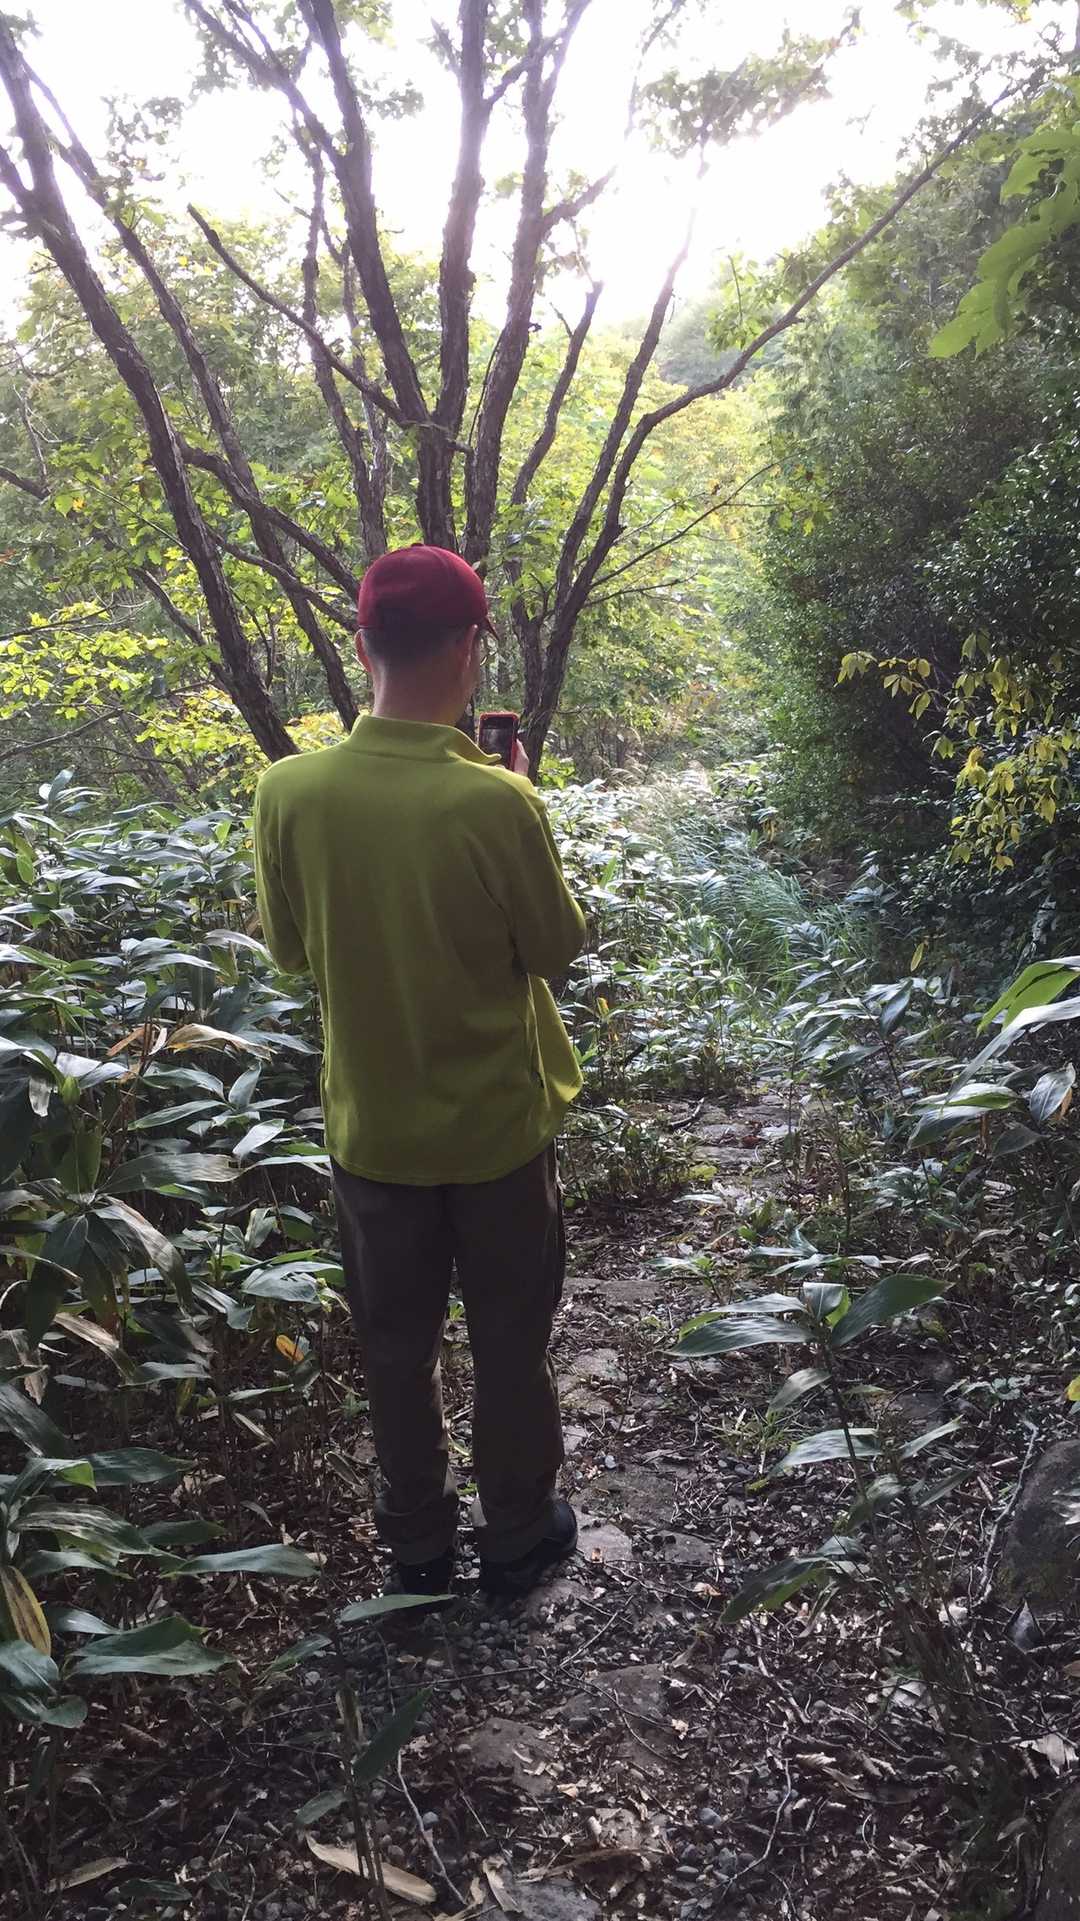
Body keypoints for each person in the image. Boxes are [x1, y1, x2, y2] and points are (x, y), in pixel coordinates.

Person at [252, 543, 586, 1599]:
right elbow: (556, 949)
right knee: (509, 1338)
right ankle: (519, 1530)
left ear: (363, 645)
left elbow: (290, 951)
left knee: (395, 1345)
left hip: (374, 1132)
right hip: (497, 1130)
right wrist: (519, 796)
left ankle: (416, 1544)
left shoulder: (288, 791)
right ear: (471, 649)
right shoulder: (495, 801)